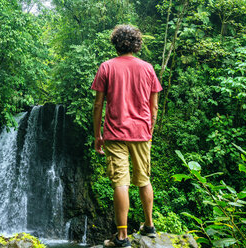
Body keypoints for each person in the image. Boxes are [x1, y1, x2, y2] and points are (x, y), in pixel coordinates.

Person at [91, 25, 162, 247]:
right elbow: (155, 106)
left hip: (115, 132)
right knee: (144, 179)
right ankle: (149, 226)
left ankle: (122, 237)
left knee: (121, 183)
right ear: (137, 44)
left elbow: (98, 104)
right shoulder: (148, 68)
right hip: (141, 132)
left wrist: (97, 135)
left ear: (116, 43)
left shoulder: (106, 67)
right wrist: (149, 130)